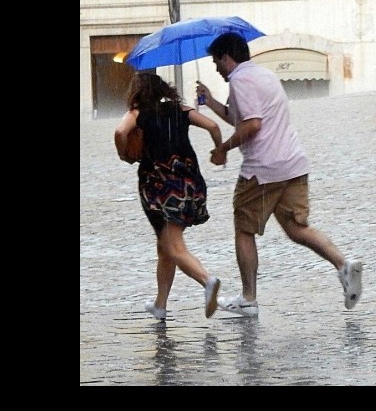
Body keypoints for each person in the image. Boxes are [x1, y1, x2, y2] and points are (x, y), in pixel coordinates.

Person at [195, 32, 362, 316]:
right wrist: (210, 102)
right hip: (293, 164)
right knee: (296, 227)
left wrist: (223, 148)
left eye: (216, 62)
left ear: (226, 57)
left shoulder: (240, 80)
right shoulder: (263, 75)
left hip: (263, 170)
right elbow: (241, 117)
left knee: (244, 230)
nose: (216, 68)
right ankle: (343, 266)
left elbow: (253, 125)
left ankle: (248, 299)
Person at [114, 72, 224, 320]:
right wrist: (219, 150)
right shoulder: (181, 110)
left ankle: (207, 280)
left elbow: (120, 133)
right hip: (189, 185)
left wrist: (125, 155)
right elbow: (213, 126)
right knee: (165, 246)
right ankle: (160, 305)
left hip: (159, 188)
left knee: (172, 246)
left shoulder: (137, 114)